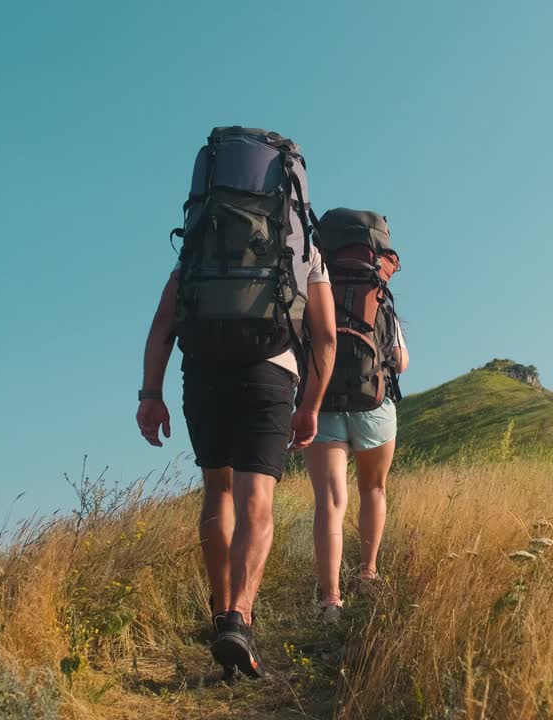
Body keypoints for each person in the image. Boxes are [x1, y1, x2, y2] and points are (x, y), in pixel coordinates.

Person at [136, 127, 337, 678]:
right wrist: (310, 405)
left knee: (217, 491)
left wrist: (150, 394)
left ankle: (218, 611)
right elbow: (325, 338)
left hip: (202, 371)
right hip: (270, 374)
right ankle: (240, 618)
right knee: (257, 499)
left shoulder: (203, 237)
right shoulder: (301, 249)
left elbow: (162, 323)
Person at [303, 207, 407, 621]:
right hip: (373, 407)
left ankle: (330, 600)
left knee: (330, 501)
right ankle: (368, 572)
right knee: (373, 490)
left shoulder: (315, 280)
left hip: (321, 404)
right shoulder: (378, 291)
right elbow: (399, 360)